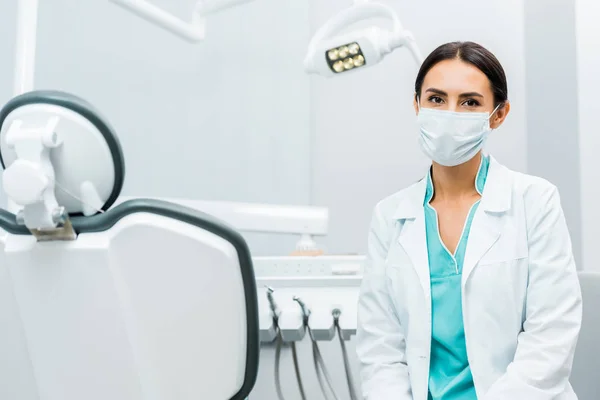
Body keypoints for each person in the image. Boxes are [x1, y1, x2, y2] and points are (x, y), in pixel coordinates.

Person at [355, 41, 582, 400]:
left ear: (498, 114)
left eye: (470, 102)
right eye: (436, 99)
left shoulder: (535, 201)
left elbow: (550, 338)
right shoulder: (390, 217)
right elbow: (381, 349)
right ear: (416, 105)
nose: (449, 113)